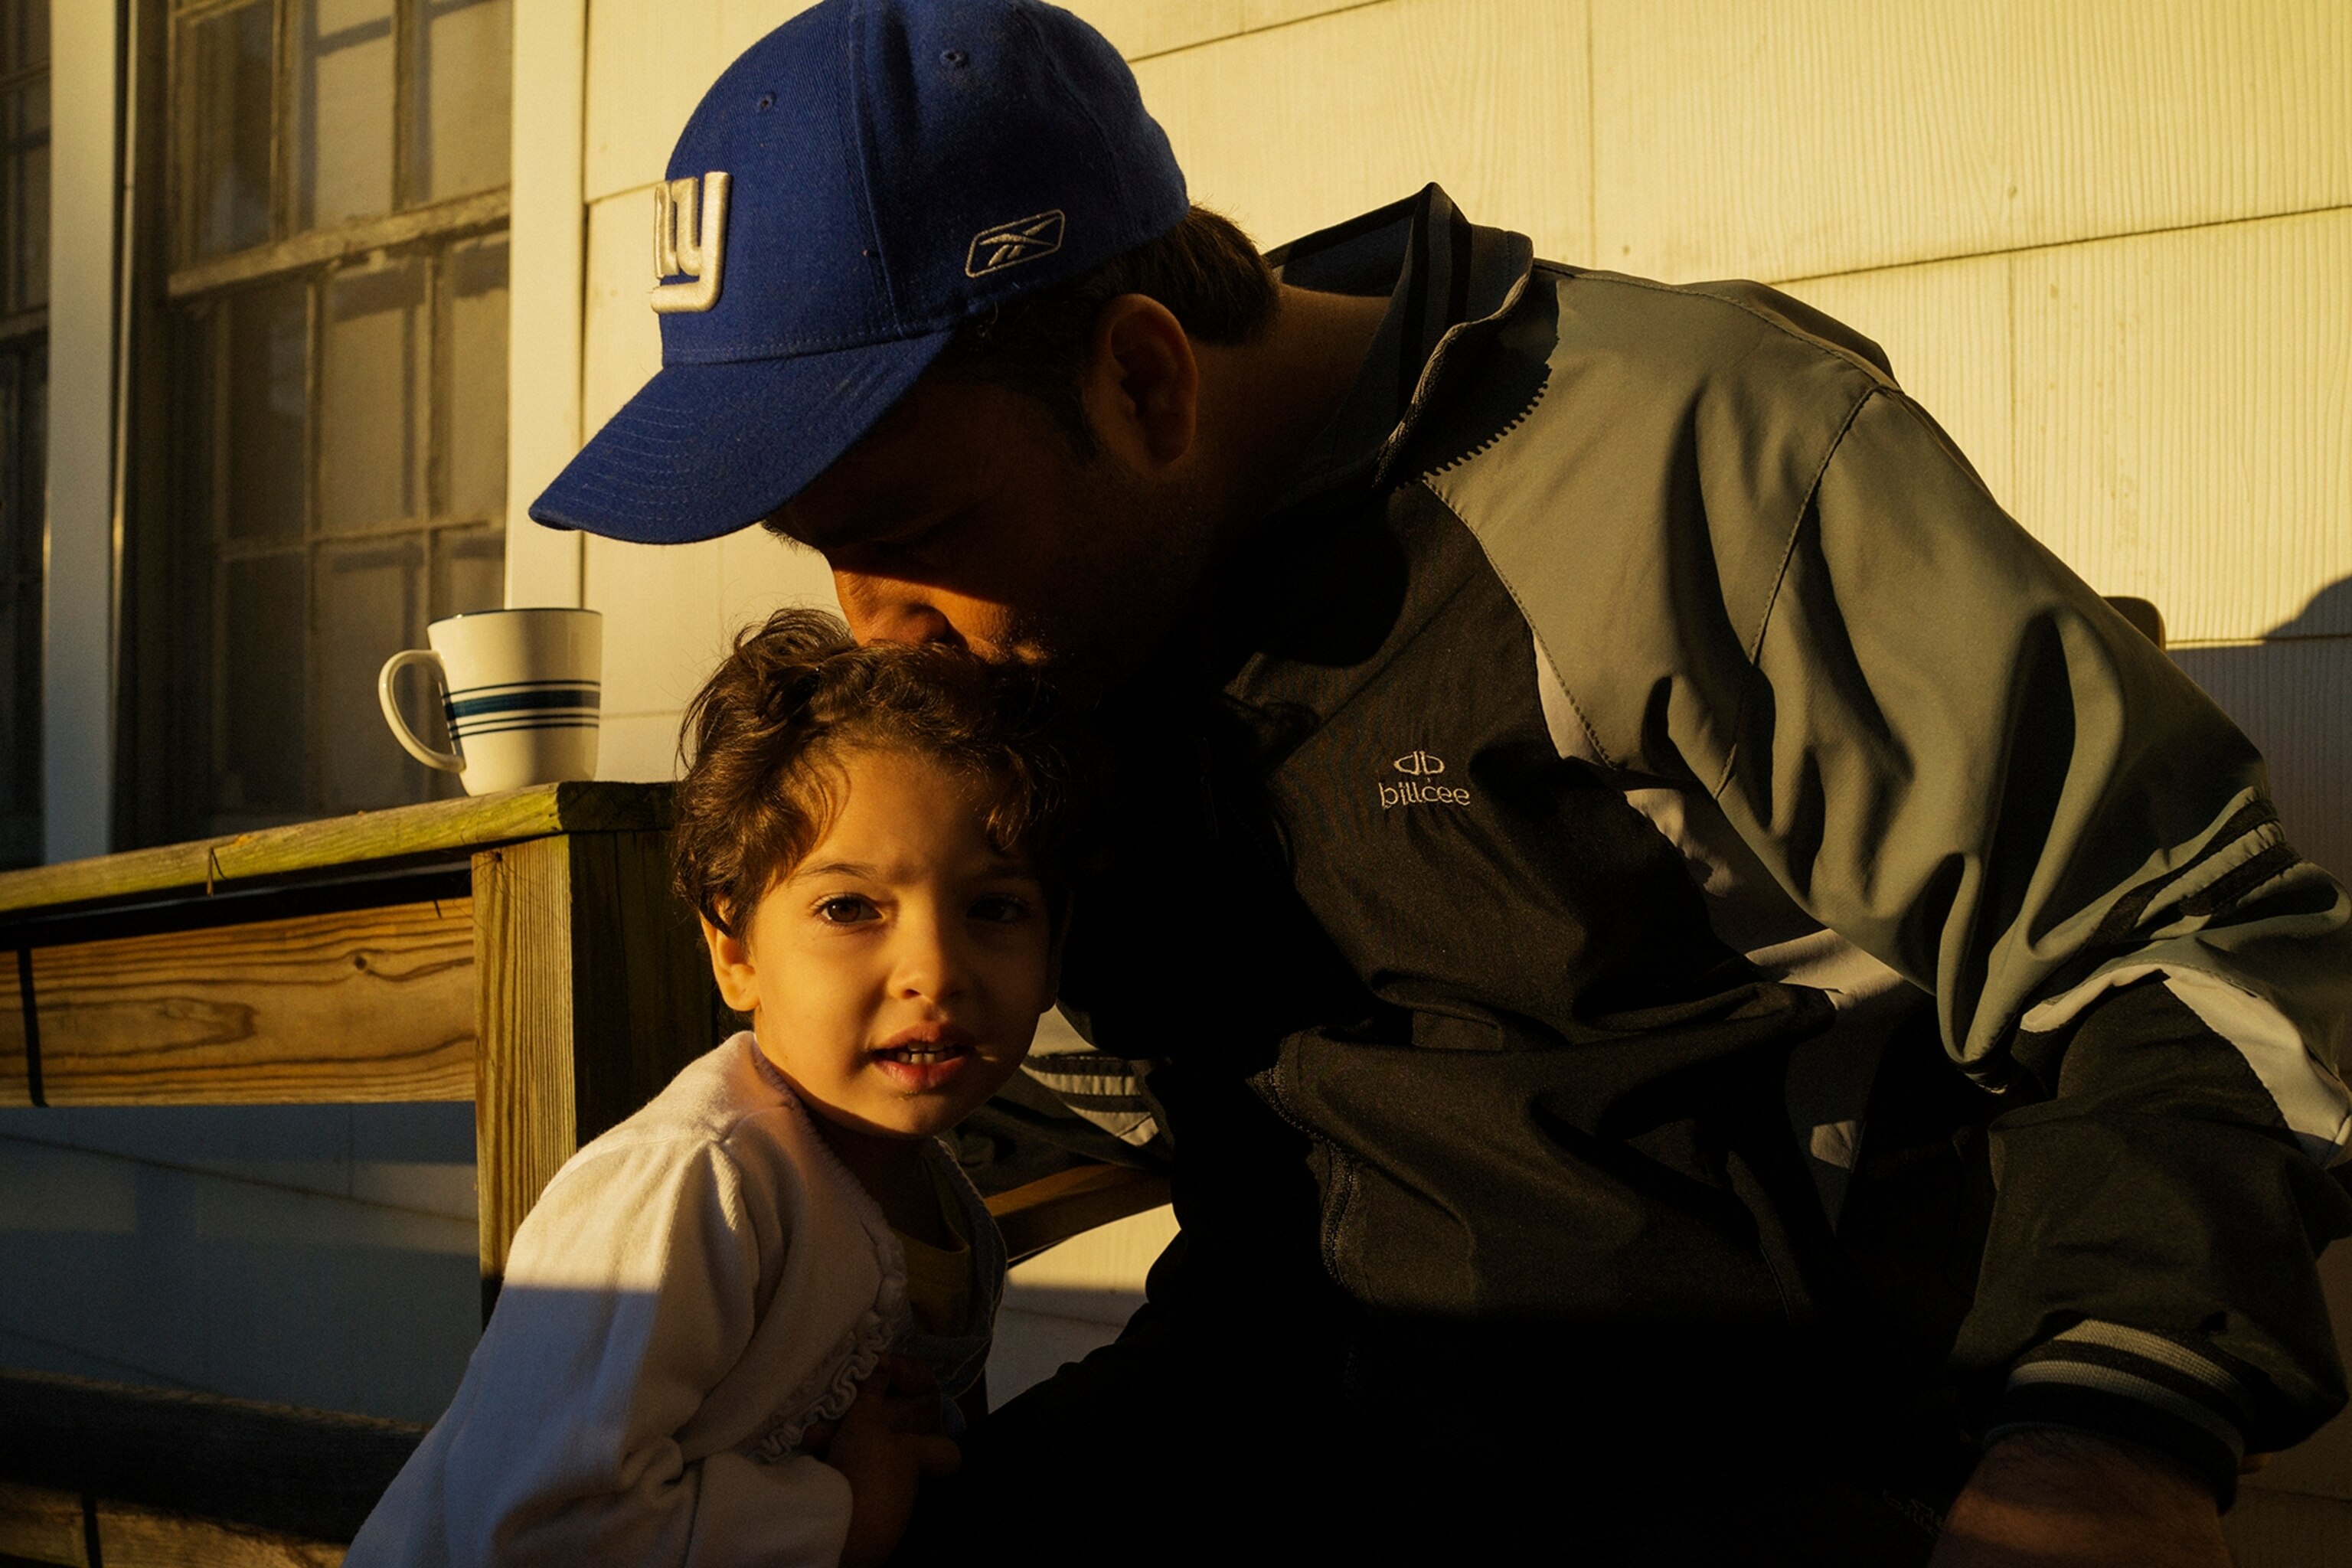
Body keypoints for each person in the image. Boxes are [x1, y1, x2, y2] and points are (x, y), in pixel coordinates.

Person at [528, 2, 2352, 1562]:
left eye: (914, 532)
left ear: (1146, 382)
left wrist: (2108, 1441)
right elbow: (1024, 1082)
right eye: (824, 551)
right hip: (1278, 1412)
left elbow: (2172, 934)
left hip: (1748, 1436)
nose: (874, 625)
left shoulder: (1668, 470)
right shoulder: (1027, 636)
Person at [345, 609, 1082, 1568]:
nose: (934, 970)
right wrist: (846, 1511)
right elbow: (540, 1527)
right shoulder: (692, 1183)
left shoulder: (945, 1193)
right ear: (734, 949)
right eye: (849, 907)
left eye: (994, 907)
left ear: (1055, 952)